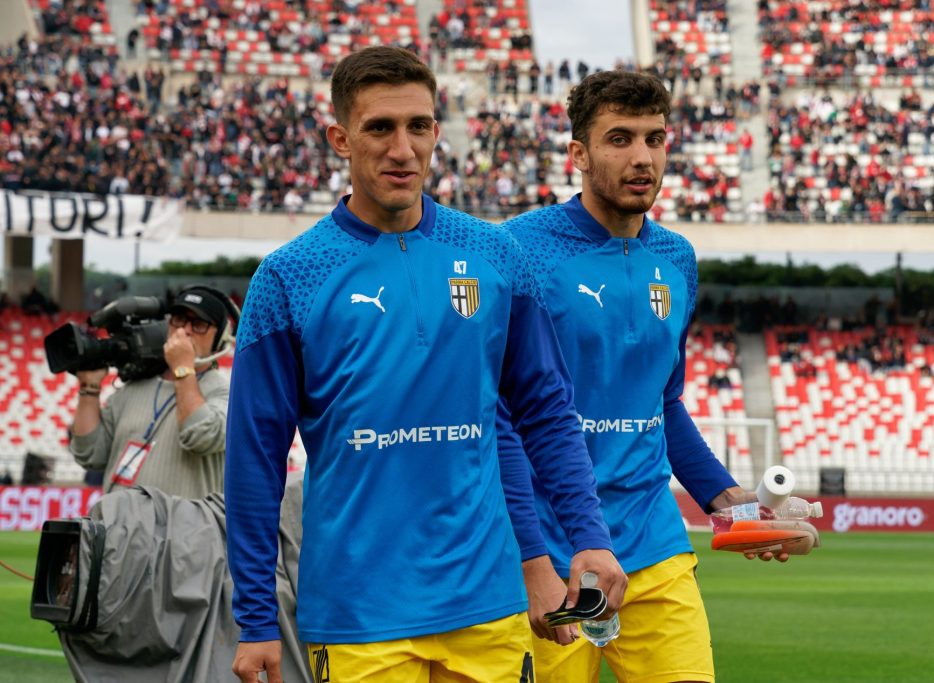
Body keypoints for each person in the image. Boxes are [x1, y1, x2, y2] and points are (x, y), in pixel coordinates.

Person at [225, 46, 626, 683]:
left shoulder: (497, 256)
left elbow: (547, 412)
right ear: (340, 139)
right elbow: (255, 460)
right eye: (379, 128)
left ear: (437, 131)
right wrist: (255, 619)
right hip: (359, 617)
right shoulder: (288, 278)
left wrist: (589, 534)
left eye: (418, 126)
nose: (403, 148)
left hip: (487, 606)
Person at [499, 70, 787, 683]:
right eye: (619, 139)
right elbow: (496, 415)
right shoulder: (516, 250)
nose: (642, 158)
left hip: (655, 547)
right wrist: (530, 560)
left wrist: (727, 500)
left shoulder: (677, 258)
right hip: (550, 553)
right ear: (578, 154)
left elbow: (663, 402)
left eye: (654, 139)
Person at [70, 286, 234, 499]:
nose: (184, 331)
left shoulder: (225, 393)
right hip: (118, 520)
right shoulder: (132, 388)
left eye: (199, 324)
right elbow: (89, 454)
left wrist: (182, 368)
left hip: (182, 521)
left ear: (219, 339)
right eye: (178, 320)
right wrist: (89, 388)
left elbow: (200, 436)